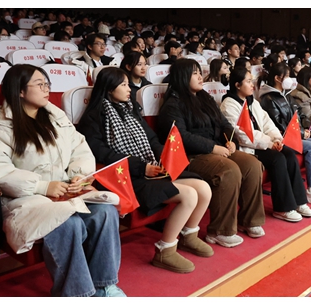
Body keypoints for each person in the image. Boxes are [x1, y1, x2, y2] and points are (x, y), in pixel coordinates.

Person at [0, 64, 125, 297]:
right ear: (20, 91)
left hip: (66, 192)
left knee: (105, 212)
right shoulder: (0, 127)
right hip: (27, 200)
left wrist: (79, 175)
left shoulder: (56, 117)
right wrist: (42, 186)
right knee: (68, 223)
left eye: (47, 84)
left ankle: (104, 285)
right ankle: (77, 294)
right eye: (39, 84)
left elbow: (80, 148)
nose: (46, 89)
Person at [79, 67, 213, 273]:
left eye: (128, 84)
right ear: (109, 89)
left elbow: (152, 139)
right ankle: (165, 250)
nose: (129, 89)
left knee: (204, 189)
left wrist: (163, 158)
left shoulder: (131, 109)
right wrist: (142, 168)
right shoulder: (93, 117)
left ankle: (188, 236)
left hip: (150, 168)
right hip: (127, 177)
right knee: (189, 195)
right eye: (124, 85)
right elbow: (102, 154)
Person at [157, 59, 265, 248]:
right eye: (195, 73)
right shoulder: (173, 104)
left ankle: (250, 220)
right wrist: (213, 148)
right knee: (229, 170)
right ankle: (219, 231)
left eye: (200, 72)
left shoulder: (205, 98)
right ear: (182, 77)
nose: (201, 77)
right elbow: (181, 137)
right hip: (191, 156)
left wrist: (230, 140)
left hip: (217, 149)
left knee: (252, 164)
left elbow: (224, 124)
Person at [220, 68, 311, 222]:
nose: (252, 85)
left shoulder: (252, 102)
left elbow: (267, 123)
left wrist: (276, 139)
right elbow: (243, 135)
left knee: (289, 154)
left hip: (265, 143)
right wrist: (269, 143)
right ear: (237, 85)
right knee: (278, 159)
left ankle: (299, 201)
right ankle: (283, 208)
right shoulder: (228, 105)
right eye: (248, 81)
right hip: (249, 148)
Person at [259, 62, 311, 207]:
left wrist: (305, 128)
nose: (290, 79)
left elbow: (299, 115)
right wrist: (301, 133)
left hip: (297, 134)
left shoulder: (287, 95)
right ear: (277, 78)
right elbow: (278, 124)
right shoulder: (268, 99)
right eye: (287, 76)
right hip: (285, 137)